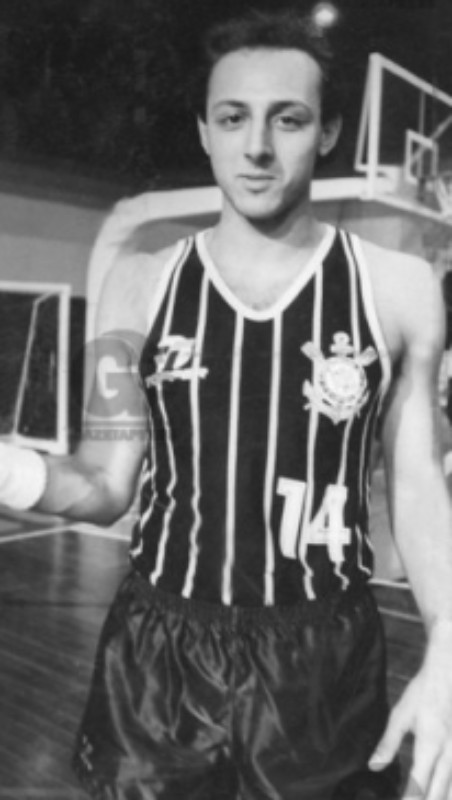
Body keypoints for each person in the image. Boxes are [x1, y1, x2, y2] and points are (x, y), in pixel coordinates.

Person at [1, 8, 452, 800]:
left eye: (289, 119)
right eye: (233, 118)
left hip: (322, 661)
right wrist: (10, 471)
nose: (257, 147)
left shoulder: (397, 288)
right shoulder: (139, 284)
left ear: (329, 131)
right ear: (204, 132)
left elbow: (415, 486)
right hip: (159, 656)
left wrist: (449, 641)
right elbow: (103, 484)